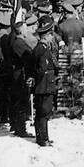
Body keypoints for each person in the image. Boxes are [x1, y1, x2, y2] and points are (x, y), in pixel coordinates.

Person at [26, 18, 59, 147]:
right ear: (46, 36)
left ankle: (44, 137)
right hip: (44, 85)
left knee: (43, 112)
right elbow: (41, 69)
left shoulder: (41, 48)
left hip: (44, 84)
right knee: (43, 113)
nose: (52, 37)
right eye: (50, 34)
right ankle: (42, 139)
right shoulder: (42, 49)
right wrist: (37, 82)